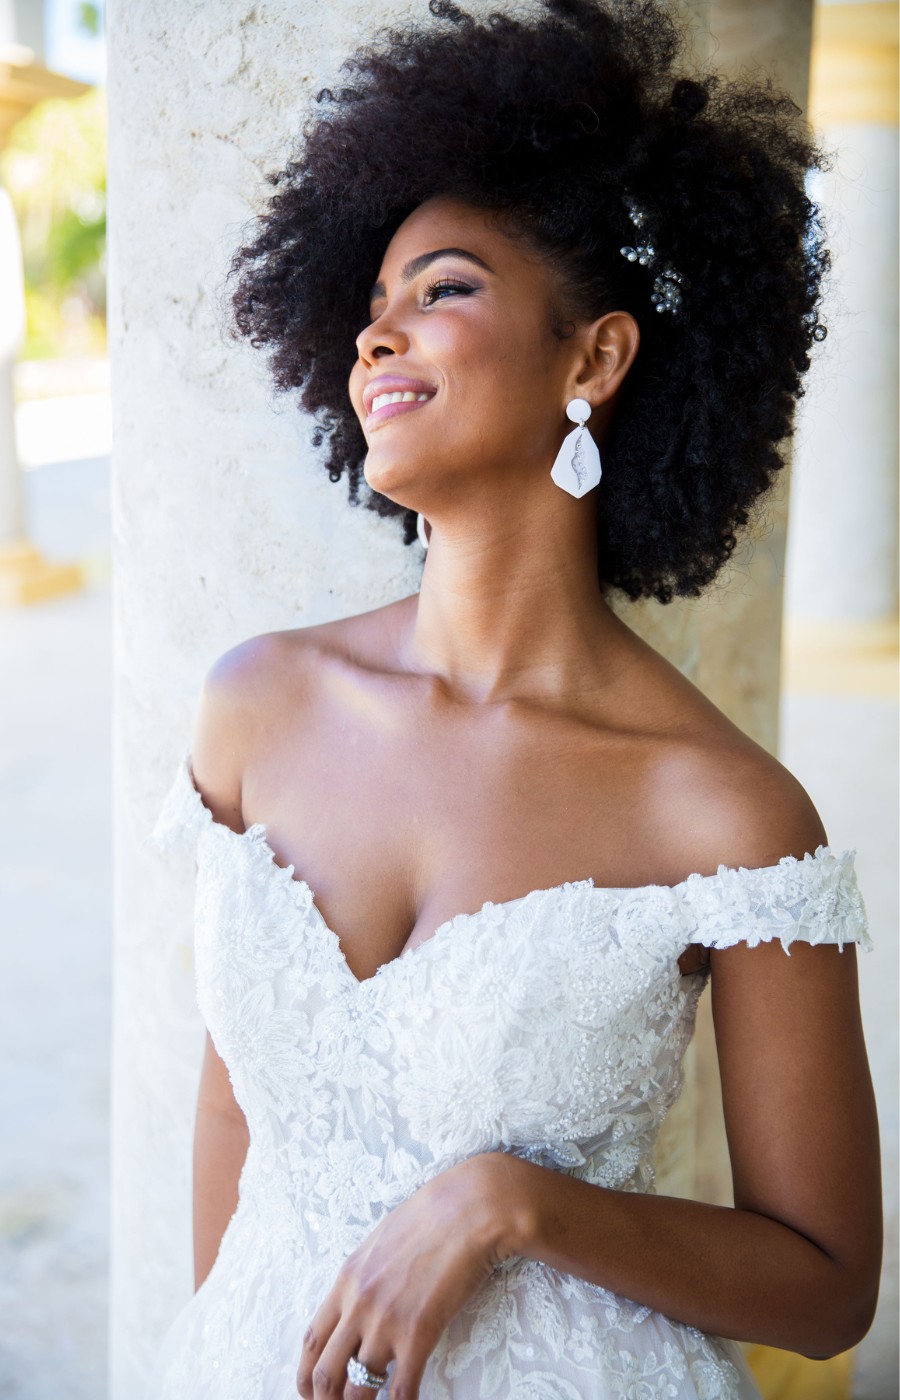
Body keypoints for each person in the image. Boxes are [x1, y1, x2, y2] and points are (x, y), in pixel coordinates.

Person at [147, 1, 882, 1396]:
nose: (379, 338)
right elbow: (236, 1110)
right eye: (369, 312)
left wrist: (510, 1203)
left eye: (443, 289)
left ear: (593, 361)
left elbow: (830, 1281)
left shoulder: (722, 809)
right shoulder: (256, 708)